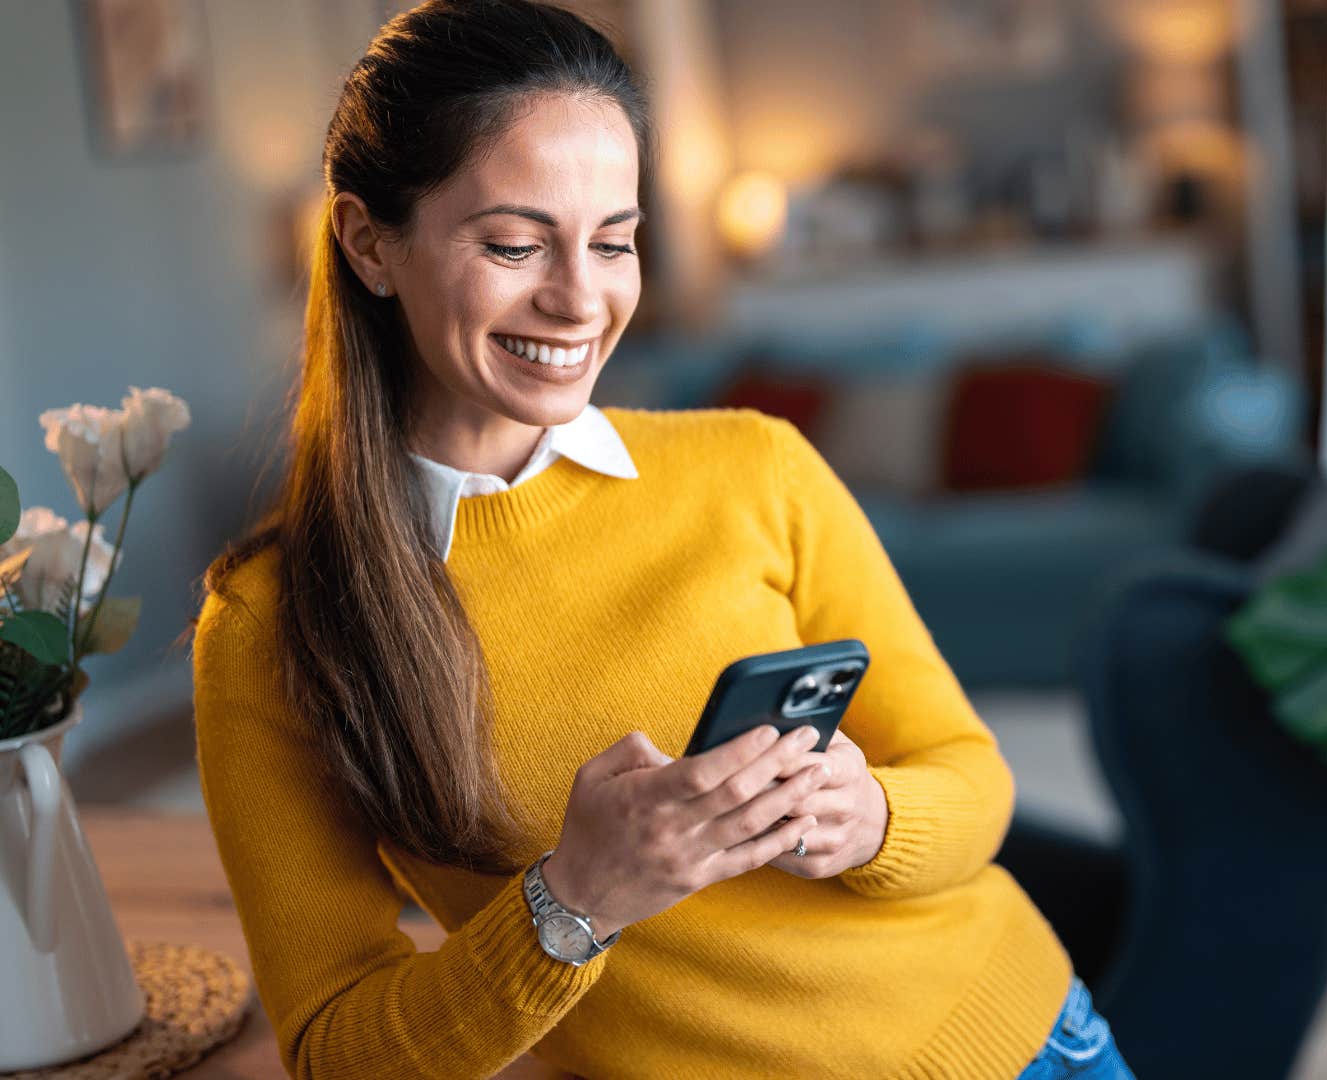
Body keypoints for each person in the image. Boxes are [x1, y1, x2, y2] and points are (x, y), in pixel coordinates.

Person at [189, 2, 1135, 1077]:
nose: (580, 299)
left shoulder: (754, 464)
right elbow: (335, 1050)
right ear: (368, 242)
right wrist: (574, 901)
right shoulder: (273, 627)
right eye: (513, 242)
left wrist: (870, 816)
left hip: (1025, 1036)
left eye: (615, 240)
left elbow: (973, 775)